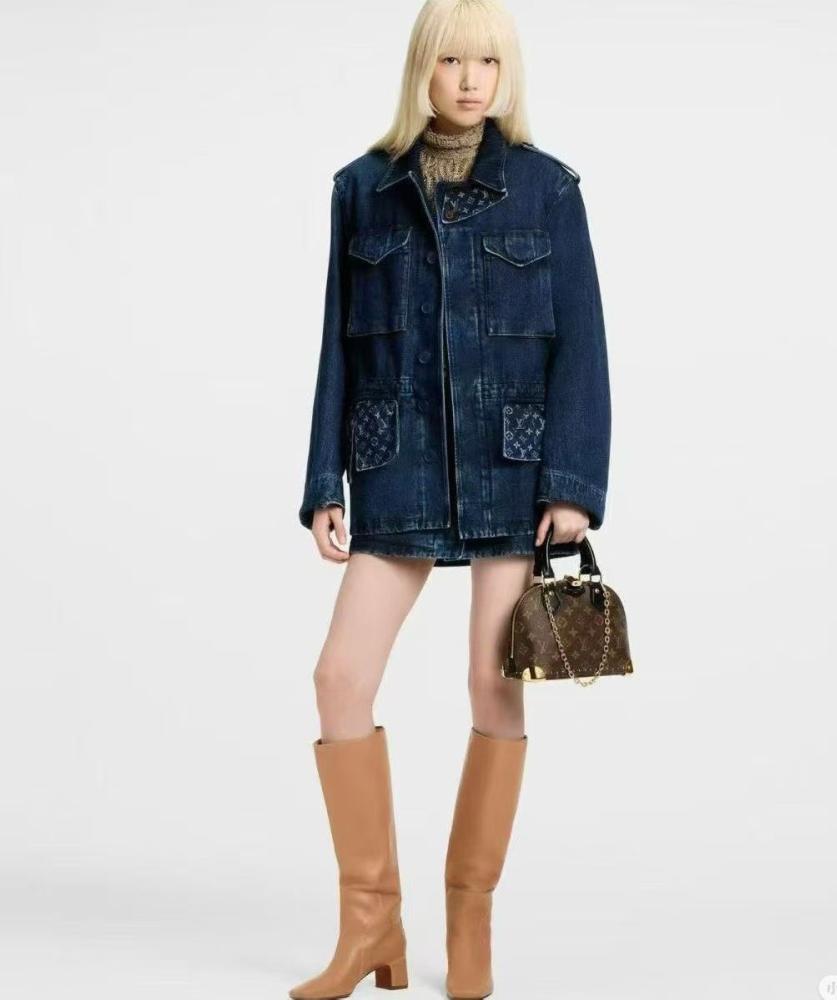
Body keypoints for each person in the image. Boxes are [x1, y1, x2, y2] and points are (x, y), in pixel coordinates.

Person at [291, 1, 612, 997]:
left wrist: (571, 485)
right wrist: (323, 482)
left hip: (512, 469)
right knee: (339, 678)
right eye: (451, 61)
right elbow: (336, 346)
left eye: (488, 62)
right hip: (395, 464)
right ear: (420, 69)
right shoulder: (363, 189)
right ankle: (370, 926)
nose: (471, 80)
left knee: (490, 683)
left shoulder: (547, 188)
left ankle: (468, 924)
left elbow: (582, 345)